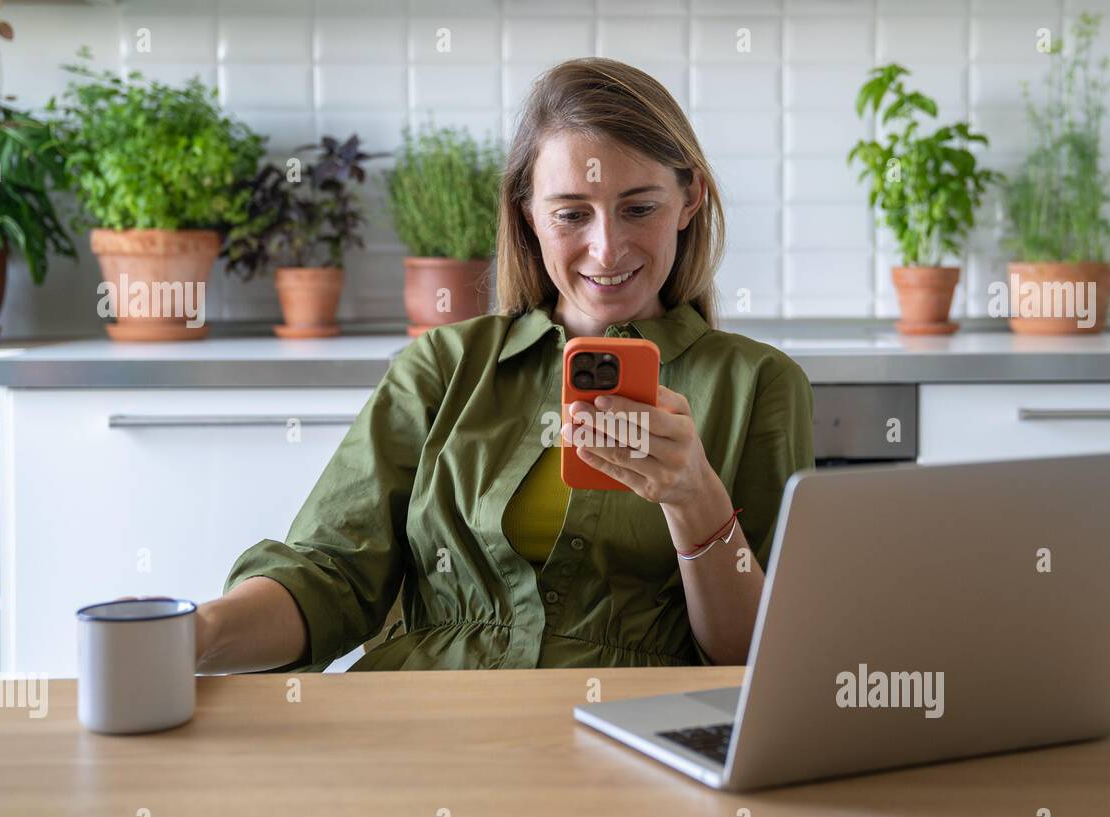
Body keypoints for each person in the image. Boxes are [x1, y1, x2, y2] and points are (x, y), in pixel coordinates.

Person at [195, 57, 815, 675]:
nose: (607, 249)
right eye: (571, 214)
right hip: (428, 712)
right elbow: (326, 575)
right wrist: (196, 633)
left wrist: (694, 501)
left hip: (631, 723)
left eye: (639, 208)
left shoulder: (758, 384)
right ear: (528, 215)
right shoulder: (444, 366)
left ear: (690, 199)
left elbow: (757, 660)